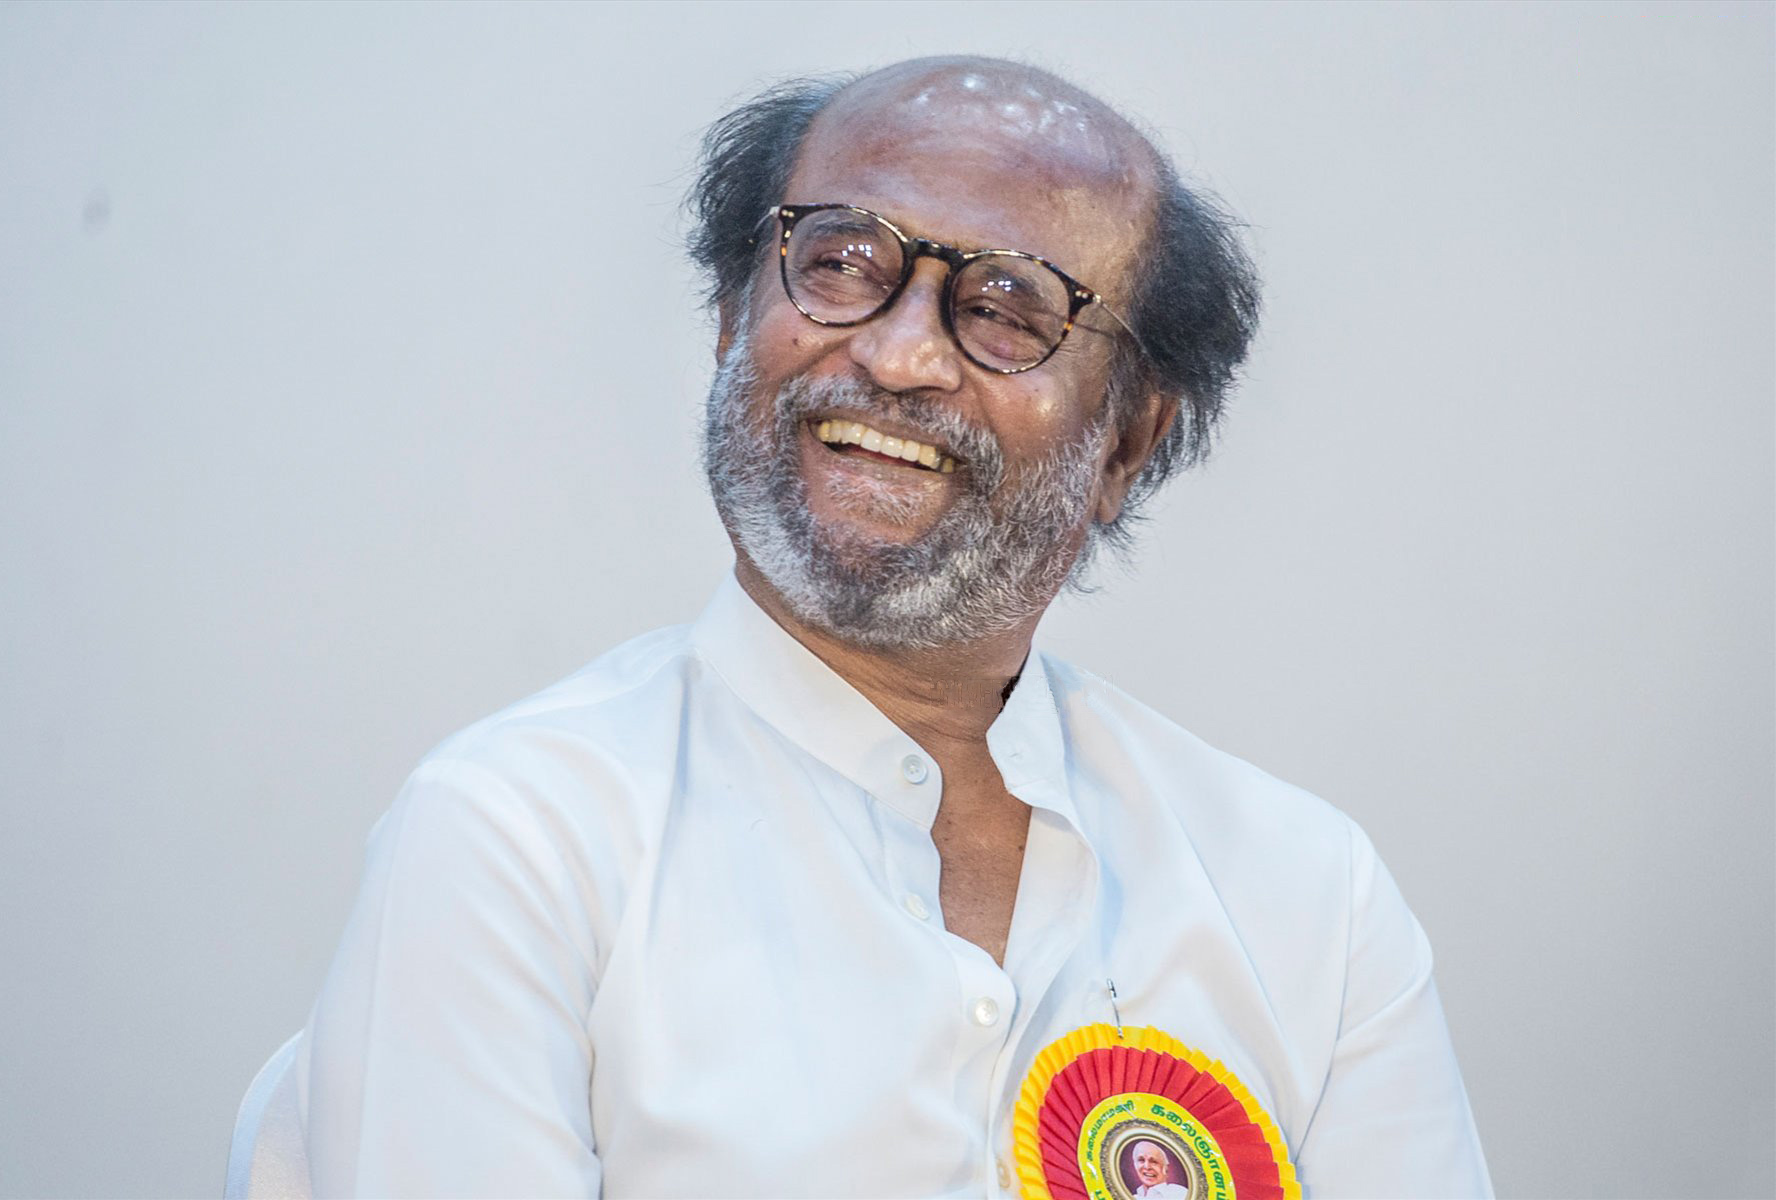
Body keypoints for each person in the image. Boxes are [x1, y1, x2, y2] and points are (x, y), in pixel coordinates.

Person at [298, 55, 1492, 1198]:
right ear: (731, 321)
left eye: (1010, 308)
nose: (899, 352)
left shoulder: (1306, 898)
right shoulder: (520, 838)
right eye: (838, 262)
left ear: (1127, 440)